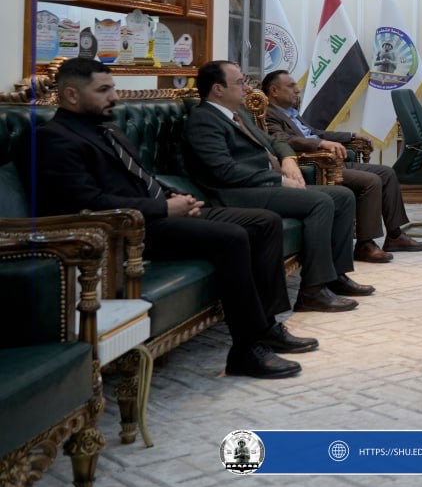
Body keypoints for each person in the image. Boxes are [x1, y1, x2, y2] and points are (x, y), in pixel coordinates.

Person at [22, 58, 316, 379]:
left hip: (159, 212)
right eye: (103, 90)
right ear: (71, 95)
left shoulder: (107, 129)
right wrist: (163, 208)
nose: (114, 97)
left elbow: (142, 177)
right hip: (127, 229)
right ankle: (245, 351)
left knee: (263, 222)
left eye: (113, 88)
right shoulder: (53, 138)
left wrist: (175, 197)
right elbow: (88, 203)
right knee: (232, 237)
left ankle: (267, 326)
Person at [182, 60, 371, 313]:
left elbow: (273, 141)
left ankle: (335, 276)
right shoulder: (204, 119)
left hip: (258, 185)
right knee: (321, 201)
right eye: (239, 83)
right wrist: (278, 180)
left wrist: (288, 159)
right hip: (234, 194)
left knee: (343, 196)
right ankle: (312, 291)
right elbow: (224, 171)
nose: (247, 88)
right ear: (218, 89)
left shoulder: (238, 114)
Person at [261, 69, 422, 262]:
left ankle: (395, 236)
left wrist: (351, 136)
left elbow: (316, 133)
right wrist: (321, 144)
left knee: (387, 173)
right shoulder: (269, 114)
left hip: (332, 160)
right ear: (274, 91)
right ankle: (365, 245)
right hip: (317, 164)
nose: (297, 90)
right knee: (371, 181)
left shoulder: (291, 112)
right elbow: (282, 139)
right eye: (291, 86)